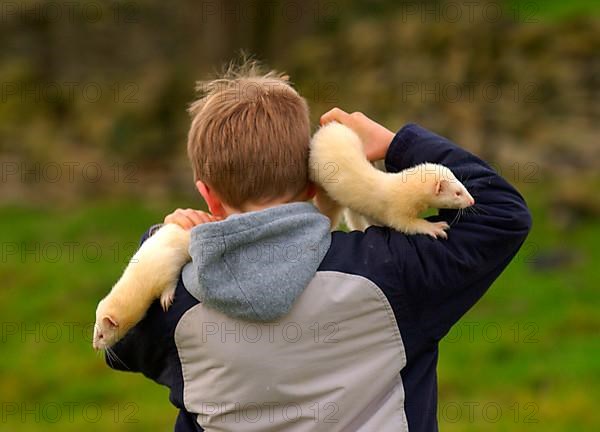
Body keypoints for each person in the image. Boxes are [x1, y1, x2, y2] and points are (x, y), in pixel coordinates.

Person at [105, 62, 532, 432]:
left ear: (206, 194)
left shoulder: (175, 307)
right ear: (315, 180)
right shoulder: (390, 272)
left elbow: (117, 342)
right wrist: (397, 144)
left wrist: (163, 240)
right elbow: (502, 215)